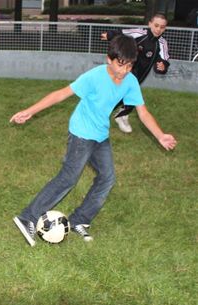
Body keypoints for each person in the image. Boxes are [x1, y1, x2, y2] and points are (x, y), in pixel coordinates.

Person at [11, 35, 177, 247]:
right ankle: (28, 218)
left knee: (107, 179)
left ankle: (80, 220)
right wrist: (30, 111)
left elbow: (143, 112)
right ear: (109, 59)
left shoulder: (130, 81)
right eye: (121, 64)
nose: (124, 70)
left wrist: (160, 135)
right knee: (68, 178)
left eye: (130, 65)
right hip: (81, 132)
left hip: (100, 134)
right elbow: (62, 94)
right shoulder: (94, 77)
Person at [100, 13, 170, 134]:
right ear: (150, 24)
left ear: (165, 28)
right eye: (156, 25)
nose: (158, 29)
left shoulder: (162, 44)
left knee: (130, 95)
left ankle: (121, 116)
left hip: (140, 75)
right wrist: (110, 35)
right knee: (121, 93)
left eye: (162, 27)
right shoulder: (139, 33)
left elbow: (164, 60)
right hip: (126, 71)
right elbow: (121, 32)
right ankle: (105, 114)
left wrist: (162, 66)